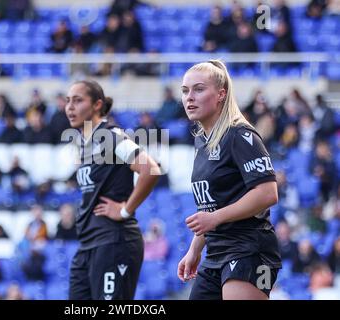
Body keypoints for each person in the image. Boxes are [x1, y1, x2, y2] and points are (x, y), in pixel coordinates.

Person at [176, 60, 282, 300]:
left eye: (199, 89)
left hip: (251, 250)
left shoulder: (240, 135)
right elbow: (210, 206)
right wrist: (194, 250)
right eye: (185, 91)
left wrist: (214, 218)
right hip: (216, 253)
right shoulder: (201, 141)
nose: (189, 97)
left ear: (221, 94)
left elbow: (267, 194)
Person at [65, 80, 161, 300]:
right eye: (68, 101)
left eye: (78, 100)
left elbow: (150, 169)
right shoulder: (85, 144)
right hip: (88, 244)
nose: (70, 106)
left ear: (97, 105)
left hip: (114, 241)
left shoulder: (110, 135)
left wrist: (126, 210)